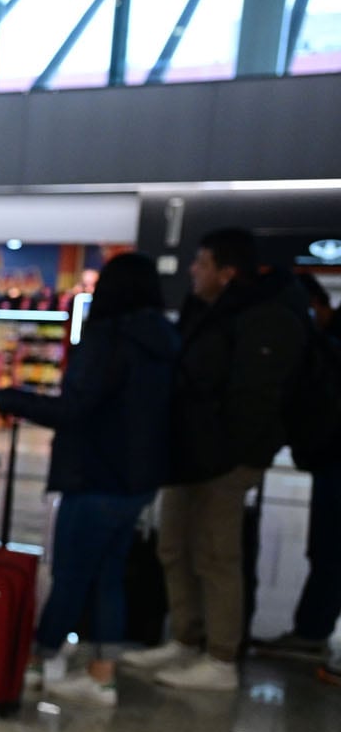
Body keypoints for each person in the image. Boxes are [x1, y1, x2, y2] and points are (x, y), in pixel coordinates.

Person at [0, 253, 179, 706]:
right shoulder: (164, 341)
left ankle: (35, 662)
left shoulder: (107, 340)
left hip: (94, 475)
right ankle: (101, 673)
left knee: (70, 573)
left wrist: (8, 398)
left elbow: (73, 409)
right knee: (108, 574)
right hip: (138, 480)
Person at [120, 228, 305, 692]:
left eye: (201, 263)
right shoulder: (202, 312)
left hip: (224, 459)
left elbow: (255, 398)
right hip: (187, 454)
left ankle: (221, 656)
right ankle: (186, 637)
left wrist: (231, 453)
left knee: (216, 553)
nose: (192, 271)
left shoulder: (262, 317)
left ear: (227, 272)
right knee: (173, 545)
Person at [255, 276, 341, 677]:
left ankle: (311, 632)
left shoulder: (328, 344)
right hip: (329, 460)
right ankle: (311, 629)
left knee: (328, 549)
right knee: (325, 548)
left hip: (334, 461)